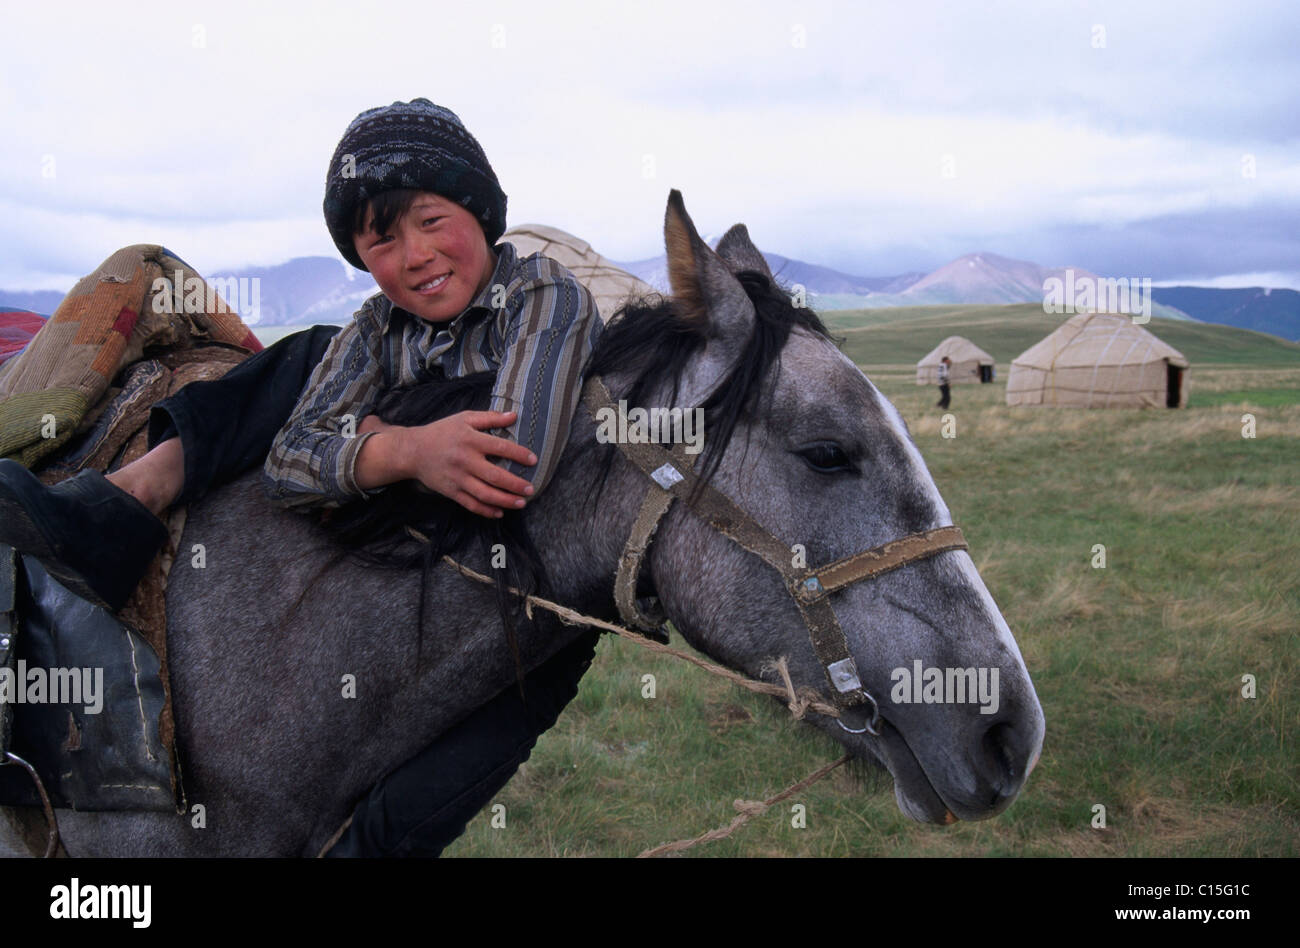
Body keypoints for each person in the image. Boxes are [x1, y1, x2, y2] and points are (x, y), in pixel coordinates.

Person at [0, 98, 604, 856]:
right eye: (381, 239)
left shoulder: (544, 297)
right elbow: (289, 464)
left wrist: (356, 440)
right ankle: (119, 502)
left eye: (430, 220)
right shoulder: (374, 328)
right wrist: (404, 449)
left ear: (481, 212)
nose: (414, 255)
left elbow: (511, 465)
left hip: (538, 572)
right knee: (303, 362)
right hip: (420, 545)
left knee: (521, 688)